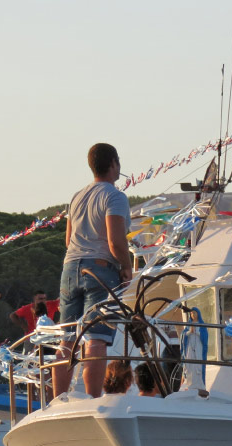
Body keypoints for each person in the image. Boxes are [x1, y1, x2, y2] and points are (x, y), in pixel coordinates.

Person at [53, 143, 133, 398]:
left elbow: (68, 240)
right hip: (100, 270)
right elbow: (115, 241)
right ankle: (93, 400)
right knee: (95, 339)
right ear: (113, 164)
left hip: (69, 268)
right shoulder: (114, 196)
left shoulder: (77, 197)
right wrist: (126, 267)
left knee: (67, 340)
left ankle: (58, 399)